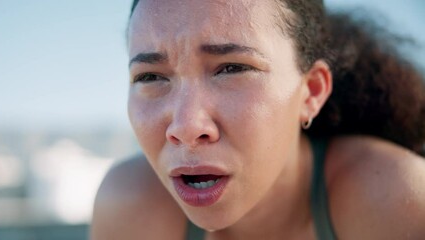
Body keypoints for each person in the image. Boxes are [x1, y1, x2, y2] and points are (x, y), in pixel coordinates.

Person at [91, 0, 425, 239]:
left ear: (310, 92)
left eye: (232, 69)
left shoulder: (397, 200)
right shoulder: (129, 206)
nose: (186, 128)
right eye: (150, 77)